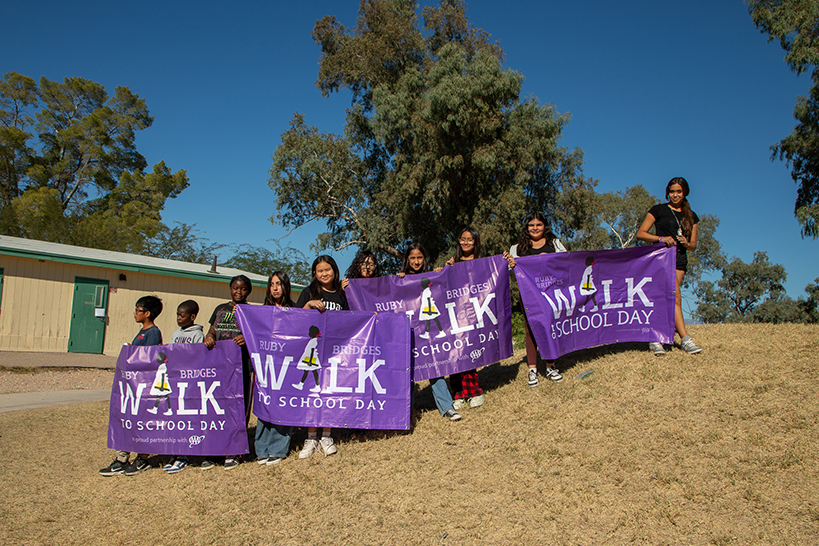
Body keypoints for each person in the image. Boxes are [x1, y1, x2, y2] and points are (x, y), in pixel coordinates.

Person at [636, 176, 703, 355]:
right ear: (668, 192)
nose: (675, 195)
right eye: (672, 191)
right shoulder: (658, 210)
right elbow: (641, 233)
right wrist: (660, 239)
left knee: (668, 300)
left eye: (678, 192)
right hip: (661, 258)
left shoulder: (692, 216)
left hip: (680, 260)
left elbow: (694, 245)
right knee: (675, 298)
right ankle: (685, 339)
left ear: (685, 193)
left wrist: (685, 243)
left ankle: (656, 338)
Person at [99, 295, 163, 477]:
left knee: (142, 422)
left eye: (138, 310)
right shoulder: (142, 332)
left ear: (147, 313)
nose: (135, 313)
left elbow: (149, 359)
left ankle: (142, 459)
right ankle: (121, 460)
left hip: (144, 387)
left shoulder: (153, 333)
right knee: (127, 421)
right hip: (132, 388)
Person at [399, 243, 462, 421]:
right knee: (408, 373)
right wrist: (399, 279)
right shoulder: (401, 279)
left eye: (419, 257)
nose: (416, 261)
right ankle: (405, 414)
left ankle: (447, 407)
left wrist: (441, 272)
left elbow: (445, 286)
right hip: (410, 333)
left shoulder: (431, 276)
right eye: (412, 258)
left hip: (429, 334)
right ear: (407, 260)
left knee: (435, 367)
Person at [504, 213, 567, 387]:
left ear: (545, 226)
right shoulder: (516, 249)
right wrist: (511, 267)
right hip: (529, 296)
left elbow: (566, 263)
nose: (535, 228)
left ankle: (550, 366)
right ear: (527, 227)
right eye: (531, 225)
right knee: (530, 330)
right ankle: (532, 369)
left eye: (539, 224)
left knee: (550, 327)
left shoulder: (555, 244)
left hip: (552, 294)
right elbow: (513, 276)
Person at [295, 256, 346, 458]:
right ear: (314, 274)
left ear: (334, 270)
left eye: (328, 270)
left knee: (329, 392)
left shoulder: (343, 294)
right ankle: (310, 438)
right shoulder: (309, 292)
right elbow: (294, 318)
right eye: (319, 271)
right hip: (313, 352)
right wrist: (307, 305)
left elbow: (354, 319)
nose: (324, 274)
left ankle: (326, 435)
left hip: (335, 353)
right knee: (312, 393)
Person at [203, 275, 253, 470]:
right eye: (235, 288)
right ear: (230, 288)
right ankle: (214, 450)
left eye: (243, 289)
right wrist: (209, 336)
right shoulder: (220, 309)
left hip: (241, 367)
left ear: (248, 291)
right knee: (217, 408)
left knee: (238, 409)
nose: (238, 292)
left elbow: (257, 335)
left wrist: (246, 337)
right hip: (219, 367)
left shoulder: (250, 311)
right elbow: (212, 331)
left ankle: (234, 450)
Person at [255, 271, 295, 466]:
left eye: (279, 284)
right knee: (264, 404)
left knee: (282, 406)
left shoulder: (295, 310)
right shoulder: (262, 311)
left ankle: (278, 449)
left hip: (287, 366)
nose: (275, 288)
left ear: (286, 286)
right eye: (272, 284)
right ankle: (262, 450)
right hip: (266, 365)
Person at [444, 228, 486, 409]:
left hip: (475, 312)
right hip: (456, 313)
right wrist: (443, 270)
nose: (466, 242)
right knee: (456, 353)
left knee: (470, 352)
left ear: (475, 242)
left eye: (470, 239)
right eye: (463, 239)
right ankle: (458, 393)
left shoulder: (483, 262)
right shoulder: (453, 263)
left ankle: (474, 392)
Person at [162, 300, 204, 474]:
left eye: (182, 315)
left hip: (190, 383)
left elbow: (197, 357)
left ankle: (184, 455)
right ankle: (175, 452)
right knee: (175, 420)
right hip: (174, 381)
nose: (178, 318)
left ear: (192, 317)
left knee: (187, 421)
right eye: (177, 315)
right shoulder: (175, 334)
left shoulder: (197, 335)